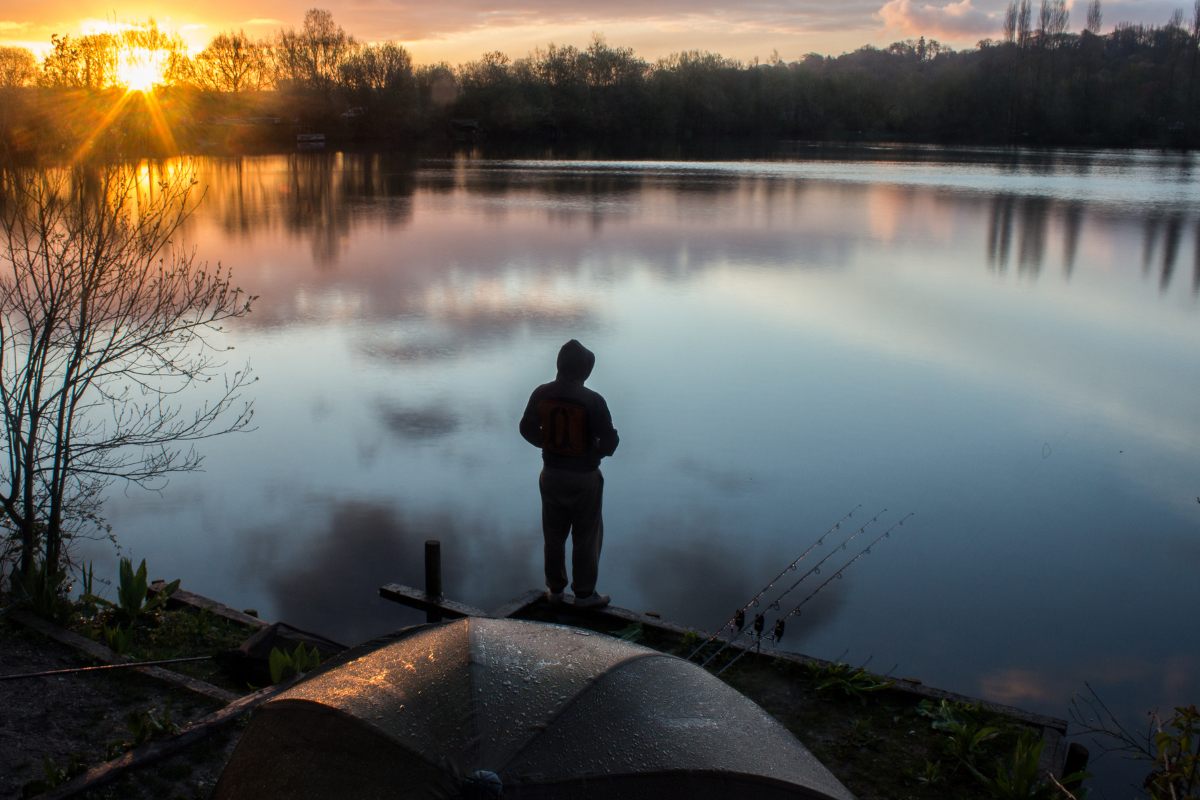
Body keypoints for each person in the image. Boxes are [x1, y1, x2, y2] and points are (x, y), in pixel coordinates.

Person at [520, 340, 619, 609]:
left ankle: (554, 589)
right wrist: (597, 451)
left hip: (551, 473)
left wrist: (546, 443)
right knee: (585, 536)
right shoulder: (593, 401)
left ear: (560, 365)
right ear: (583, 370)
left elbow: (526, 428)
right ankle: (585, 595)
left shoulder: (541, 393)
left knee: (553, 535)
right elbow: (610, 442)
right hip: (584, 478)